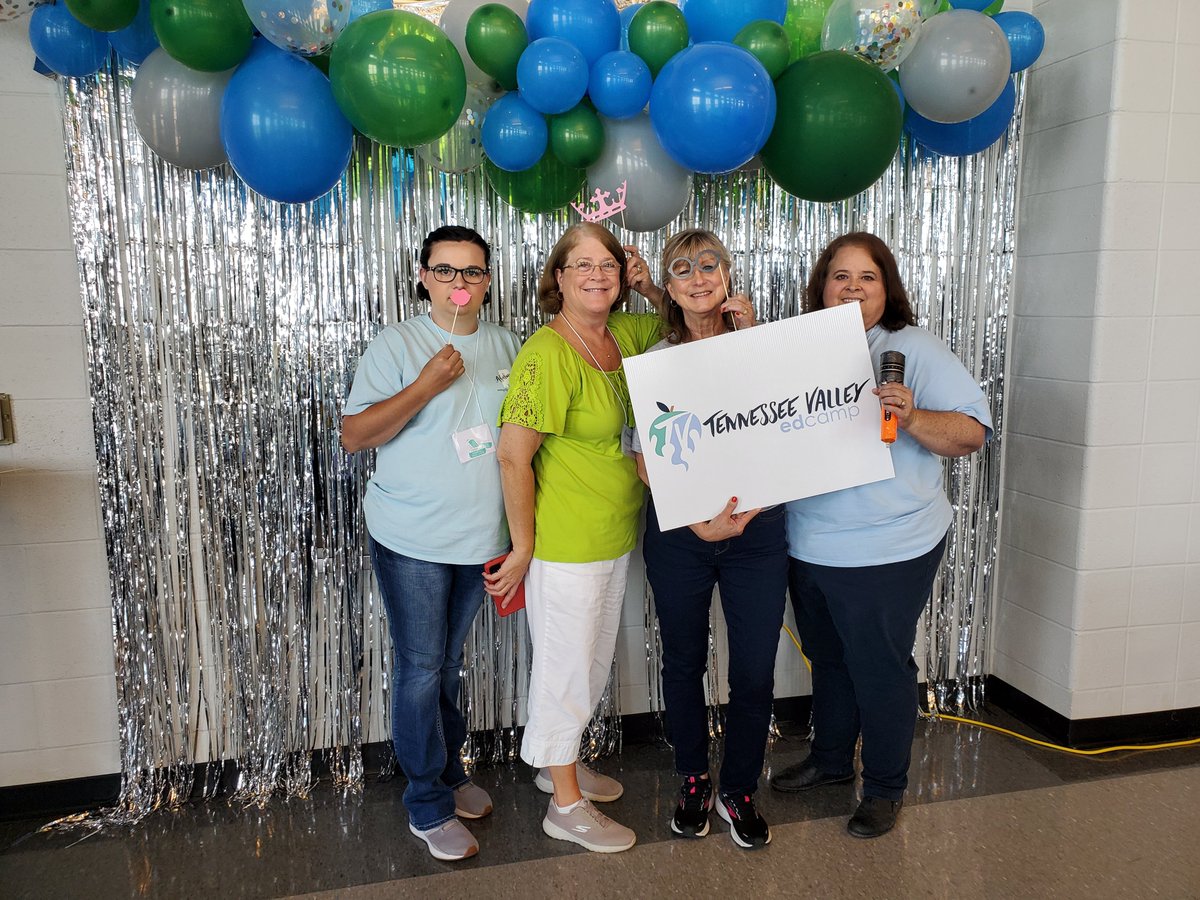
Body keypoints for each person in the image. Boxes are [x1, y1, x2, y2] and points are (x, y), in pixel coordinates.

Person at [770, 232, 993, 839]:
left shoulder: (911, 348)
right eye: (840, 276)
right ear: (821, 288)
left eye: (867, 277)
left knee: (880, 666)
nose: (852, 288)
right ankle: (833, 760)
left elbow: (972, 433)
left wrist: (913, 415)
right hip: (810, 542)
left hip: (888, 545)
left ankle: (886, 786)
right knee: (831, 661)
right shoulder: (799, 351)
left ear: (886, 287)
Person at [341, 225, 521, 862]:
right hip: (412, 538)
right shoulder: (397, 343)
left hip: (480, 541)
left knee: (447, 666)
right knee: (420, 669)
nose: (459, 284)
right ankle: (426, 801)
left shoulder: (507, 345)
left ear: (489, 280)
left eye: (472, 272)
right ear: (423, 277)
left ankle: (448, 772)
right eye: (446, 271)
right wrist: (423, 387)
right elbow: (355, 435)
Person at [485, 222, 662, 854]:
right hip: (564, 546)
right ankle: (564, 804)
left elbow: (686, 333)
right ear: (557, 278)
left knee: (587, 666)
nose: (597, 275)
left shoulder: (623, 334)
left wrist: (651, 285)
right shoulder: (548, 352)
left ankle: (557, 763)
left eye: (609, 265)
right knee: (565, 672)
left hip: (613, 534)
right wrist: (525, 547)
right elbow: (512, 456)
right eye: (581, 264)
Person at [629, 228, 785, 849]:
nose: (698, 277)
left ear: (727, 276)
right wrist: (698, 521)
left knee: (753, 671)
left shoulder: (765, 348)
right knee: (685, 661)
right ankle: (693, 777)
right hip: (682, 536)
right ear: (668, 287)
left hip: (757, 534)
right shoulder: (654, 360)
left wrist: (752, 346)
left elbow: (793, 427)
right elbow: (644, 458)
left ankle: (738, 790)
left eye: (710, 265)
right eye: (683, 269)